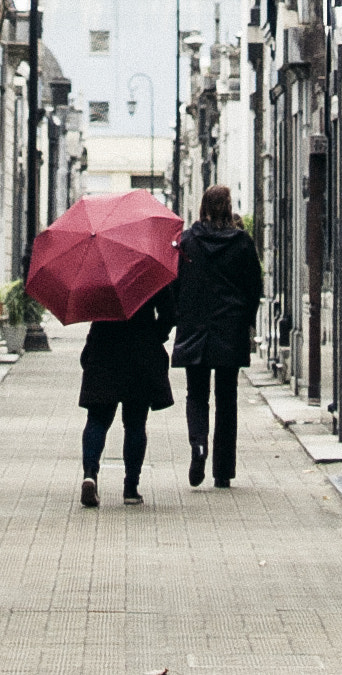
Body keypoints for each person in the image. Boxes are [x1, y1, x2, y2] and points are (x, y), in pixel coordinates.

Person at [172, 184, 263, 489]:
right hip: (230, 330)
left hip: (195, 330)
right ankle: (222, 471)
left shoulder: (187, 243)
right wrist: (247, 322)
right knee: (227, 399)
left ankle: (198, 445)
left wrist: (178, 317)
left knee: (196, 395)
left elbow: (176, 286)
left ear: (203, 206)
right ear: (228, 206)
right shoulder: (241, 244)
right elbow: (254, 288)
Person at [78, 281, 175, 508]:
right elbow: (169, 313)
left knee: (97, 419)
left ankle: (90, 474)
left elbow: (87, 307)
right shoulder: (148, 268)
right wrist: (154, 335)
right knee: (135, 423)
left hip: (103, 349)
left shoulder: (98, 269)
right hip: (140, 353)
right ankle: (131, 488)